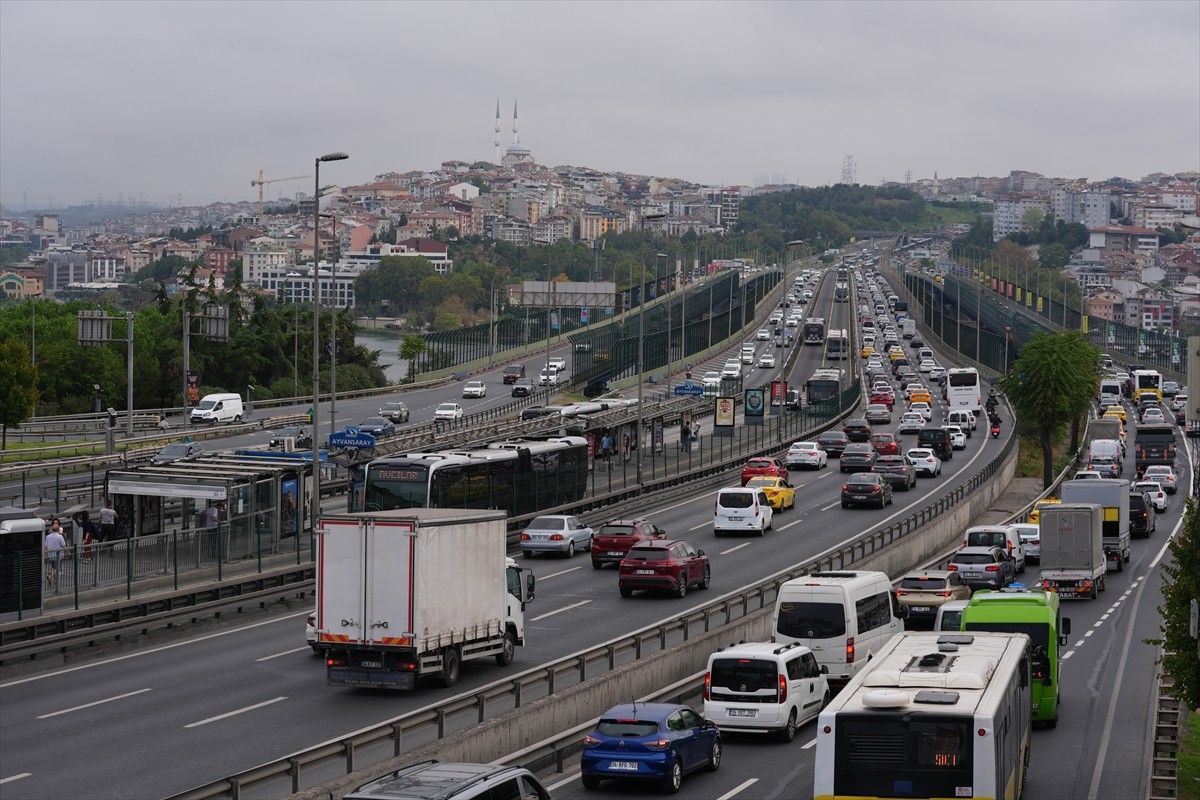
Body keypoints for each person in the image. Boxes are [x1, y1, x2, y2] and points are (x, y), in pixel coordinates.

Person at [45, 520, 67, 592]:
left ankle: (54, 580)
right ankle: (51, 577)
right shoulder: (60, 536)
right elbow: (64, 546)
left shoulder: (48, 536)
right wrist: (67, 551)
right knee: (58, 569)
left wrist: (46, 554)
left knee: (53, 567)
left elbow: (45, 546)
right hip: (58, 555)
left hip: (51, 555)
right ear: (58, 529)